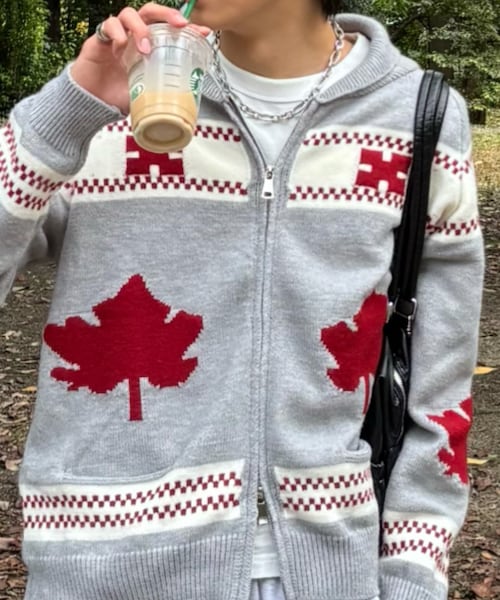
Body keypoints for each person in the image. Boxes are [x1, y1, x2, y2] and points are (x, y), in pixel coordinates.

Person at [0, 1, 484, 599]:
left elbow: (440, 397)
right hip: (99, 573)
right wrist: (66, 111)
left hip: (330, 574)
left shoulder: (416, 116)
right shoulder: (115, 98)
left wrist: (412, 578)